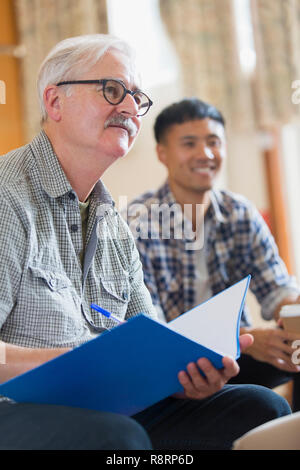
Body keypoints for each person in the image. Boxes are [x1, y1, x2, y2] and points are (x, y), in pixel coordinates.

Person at [0, 37, 291, 451]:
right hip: (16, 407)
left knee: (259, 409)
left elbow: (150, 344)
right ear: (54, 102)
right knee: (120, 438)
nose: (129, 108)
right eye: (112, 90)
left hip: (108, 407)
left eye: (136, 97)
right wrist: (72, 365)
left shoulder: (114, 225)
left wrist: (183, 379)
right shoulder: (7, 195)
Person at [125, 97, 300, 413]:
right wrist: (243, 336)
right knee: (265, 403)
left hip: (240, 352)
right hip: (176, 366)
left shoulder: (240, 213)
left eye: (214, 142)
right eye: (189, 143)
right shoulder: (139, 222)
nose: (205, 154)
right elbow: (154, 333)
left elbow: (277, 290)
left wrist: (294, 310)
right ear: (162, 153)